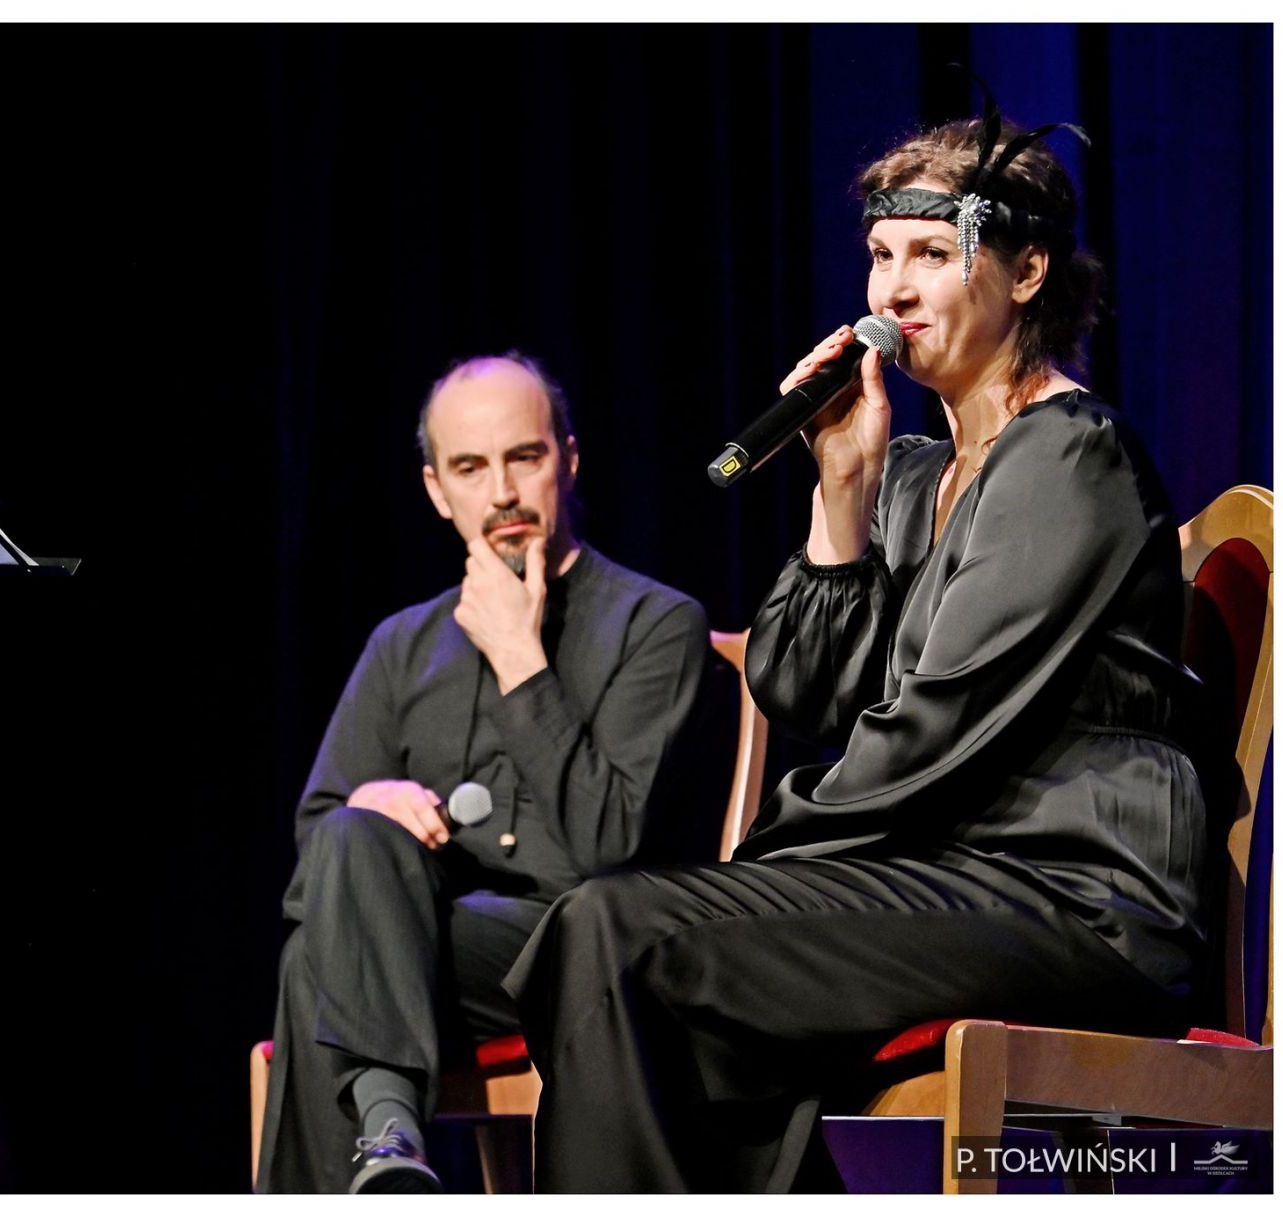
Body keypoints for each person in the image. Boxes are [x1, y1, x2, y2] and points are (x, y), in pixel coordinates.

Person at [505, 105, 1209, 1192]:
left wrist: (753, 863)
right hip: (939, 883)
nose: (894, 291)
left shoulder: (1072, 459)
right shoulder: (916, 473)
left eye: (930, 253)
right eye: (881, 255)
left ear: (1026, 272)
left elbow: (932, 728)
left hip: (1073, 898)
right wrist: (843, 485)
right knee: (623, 960)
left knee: (616, 927)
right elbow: (800, 687)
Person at [256, 353, 711, 1193]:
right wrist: (371, 803)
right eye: (470, 468)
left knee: (315, 964)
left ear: (567, 459)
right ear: (438, 490)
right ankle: (387, 1142)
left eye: (523, 457)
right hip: (435, 951)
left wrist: (519, 661)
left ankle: (380, 1141)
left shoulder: (655, 623)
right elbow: (313, 863)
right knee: (350, 842)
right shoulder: (403, 643)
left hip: (583, 953)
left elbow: (605, 850)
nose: (501, 491)